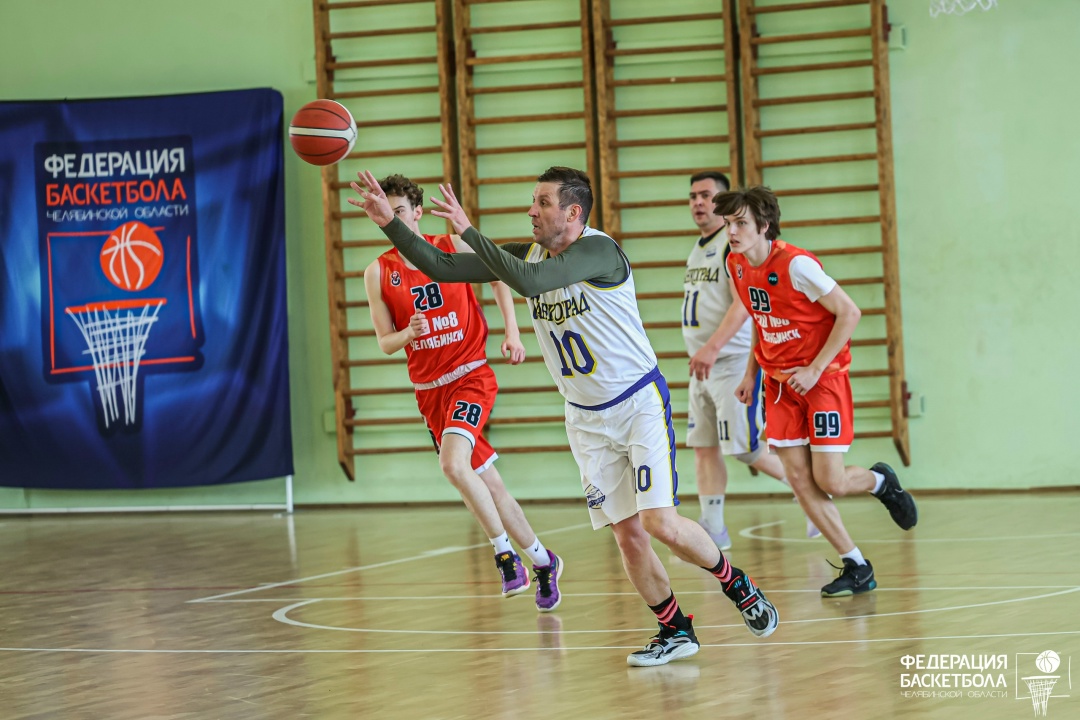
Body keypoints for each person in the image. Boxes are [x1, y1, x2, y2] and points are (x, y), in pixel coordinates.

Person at [349, 166, 780, 667]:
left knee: (659, 522)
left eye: (543, 203)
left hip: (636, 403)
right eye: (533, 201)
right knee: (627, 535)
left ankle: (737, 584)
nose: (531, 211)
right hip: (585, 417)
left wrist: (469, 230)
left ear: (573, 212)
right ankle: (674, 629)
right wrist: (389, 223)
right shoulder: (530, 254)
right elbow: (442, 266)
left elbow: (531, 282)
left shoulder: (599, 251)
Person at [361, 174, 563, 612]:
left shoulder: (450, 245)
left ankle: (505, 557)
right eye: (386, 212)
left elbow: (499, 276)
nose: (393, 218)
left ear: (417, 212)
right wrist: (408, 334)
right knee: (490, 486)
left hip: (470, 375)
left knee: (452, 464)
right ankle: (544, 561)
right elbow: (384, 342)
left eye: (399, 211)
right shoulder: (378, 271)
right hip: (429, 392)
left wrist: (512, 331)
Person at [714, 185, 918, 597]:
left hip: (822, 380)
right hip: (778, 385)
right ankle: (856, 564)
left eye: (740, 223)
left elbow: (850, 312)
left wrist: (814, 368)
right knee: (797, 478)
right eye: (728, 223)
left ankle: (880, 481)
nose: (732, 231)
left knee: (832, 481)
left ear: (764, 225)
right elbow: (761, 321)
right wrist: (751, 374)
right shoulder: (736, 264)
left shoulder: (796, 265)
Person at [683, 171, 819, 548]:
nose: (698, 202)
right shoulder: (700, 247)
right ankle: (713, 527)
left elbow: (744, 306)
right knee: (704, 446)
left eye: (706, 195)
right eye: (693, 196)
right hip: (702, 365)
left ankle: (809, 494)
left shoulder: (732, 249)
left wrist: (712, 347)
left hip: (729, 361)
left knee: (745, 446)